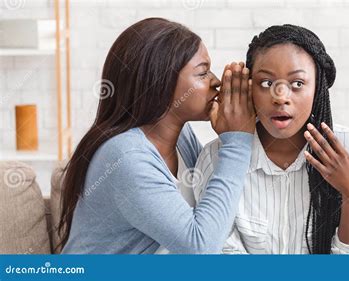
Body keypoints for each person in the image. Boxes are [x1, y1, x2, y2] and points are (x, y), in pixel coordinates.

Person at [59, 18, 256, 254]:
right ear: (160, 83)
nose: (215, 82)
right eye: (202, 73)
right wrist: (237, 141)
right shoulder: (126, 157)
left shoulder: (181, 139)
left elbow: (217, 212)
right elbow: (201, 247)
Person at [193, 24, 349, 254]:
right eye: (266, 83)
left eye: (298, 84)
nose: (280, 98)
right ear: (249, 87)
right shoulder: (216, 159)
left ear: (317, 89)